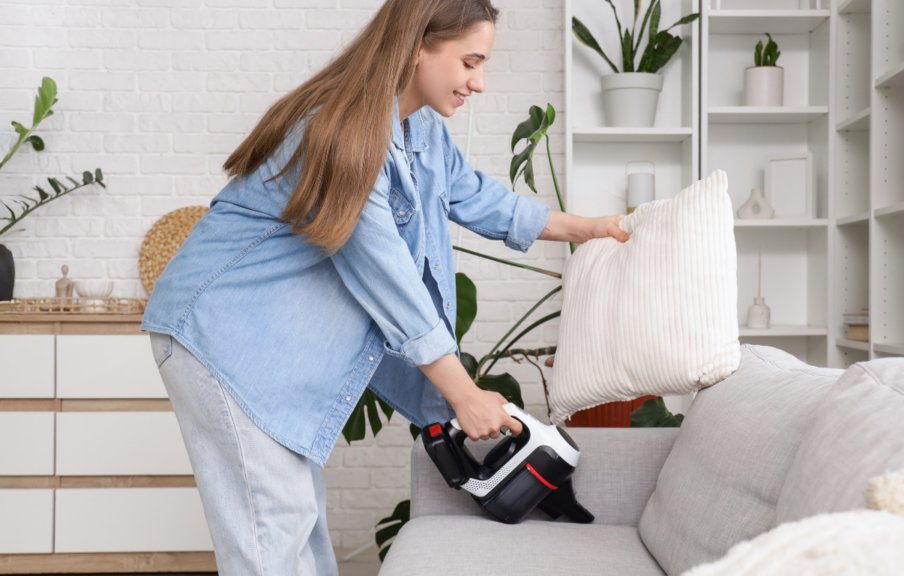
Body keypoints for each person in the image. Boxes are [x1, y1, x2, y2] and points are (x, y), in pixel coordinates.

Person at [141, 0, 629, 573]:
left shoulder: (420, 127)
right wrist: (464, 394)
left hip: (271, 344)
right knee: (271, 531)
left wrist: (589, 229)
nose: (479, 82)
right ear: (419, 45)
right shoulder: (341, 132)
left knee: (297, 522)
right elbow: (386, 276)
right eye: (470, 62)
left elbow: (478, 197)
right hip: (224, 335)